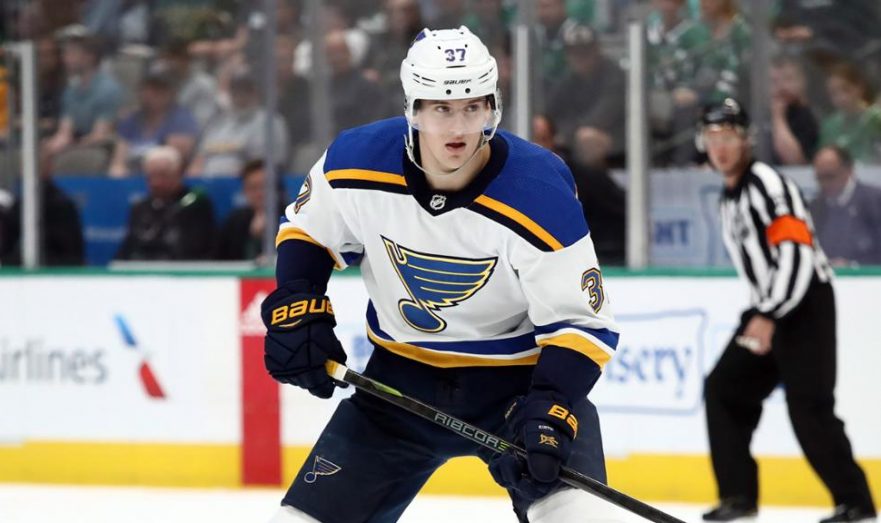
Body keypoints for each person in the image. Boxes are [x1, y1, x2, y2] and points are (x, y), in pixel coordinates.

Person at [262, 26, 621, 523]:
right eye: (441, 108)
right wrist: (297, 302)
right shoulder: (354, 161)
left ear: (493, 107)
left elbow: (580, 324)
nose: (459, 127)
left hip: (520, 387)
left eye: (473, 107)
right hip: (396, 387)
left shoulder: (540, 191)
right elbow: (308, 232)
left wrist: (551, 407)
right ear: (413, 108)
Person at [697, 98, 876, 523]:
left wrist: (771, 314)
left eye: (729, 136)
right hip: (769, 309)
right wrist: (763, 312)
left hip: (804, 306)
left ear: (746, 140)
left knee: (809, 407)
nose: (720, 147)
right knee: (724, 390)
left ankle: (856, 503)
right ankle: (739, 497)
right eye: (712, 137)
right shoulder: (729, 197)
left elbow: (796, 252)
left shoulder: (767, 185)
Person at [115, 146, 215, 261]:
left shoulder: (195, 204)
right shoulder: (140, 207)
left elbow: (198, 250)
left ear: (178, 174)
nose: (156, 183)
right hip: (141, 268)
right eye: (151, 176)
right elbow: (128, 248)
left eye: (163, 175)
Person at [810, 146, 881, 266]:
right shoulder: (815, 207)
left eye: (830, 176)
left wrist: (854, 265)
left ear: (848, 170)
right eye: (820, 178)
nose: (824, 183)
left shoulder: (875, 201)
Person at [214, 159, 286, 263]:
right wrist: (252, 238)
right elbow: (220, 259)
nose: (259, 194)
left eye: (264, 186)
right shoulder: (235, 220)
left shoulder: (290, 218)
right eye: (253, 188)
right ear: (244, 190)